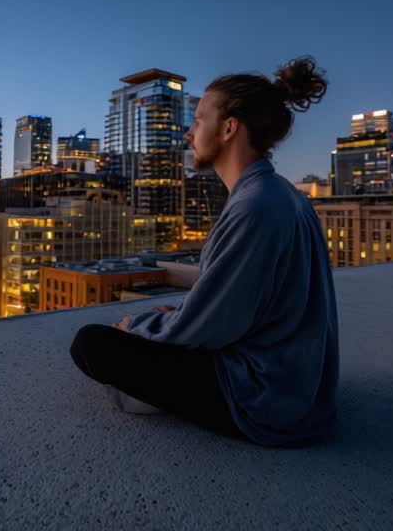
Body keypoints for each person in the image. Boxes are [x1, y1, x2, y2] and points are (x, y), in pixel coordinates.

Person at [69, 57, 338, 447]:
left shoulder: (255, 207)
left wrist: (136, 328)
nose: (187, 132)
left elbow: (211, 327)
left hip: (266, 398)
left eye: (197, 120)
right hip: (298, 385)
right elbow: (249, 300)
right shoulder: (282, 195)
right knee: (164, 323)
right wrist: (185, 313)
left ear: (229, 128)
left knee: (92, 344)